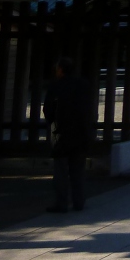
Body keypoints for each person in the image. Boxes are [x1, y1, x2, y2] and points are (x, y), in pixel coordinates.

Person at [42, 57, 94, 212]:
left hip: (60, 131)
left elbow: (48, 110)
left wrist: (53, 122)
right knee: (78, 169)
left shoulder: (55, 86)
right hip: (80, 131)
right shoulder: (83, 85)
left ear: (60, 70)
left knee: (61, 170)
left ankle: (61, 203)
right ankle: (79, 201)